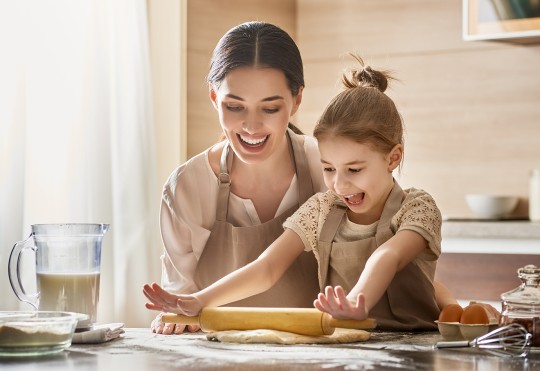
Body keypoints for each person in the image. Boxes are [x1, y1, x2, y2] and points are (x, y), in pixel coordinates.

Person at [144, 54, 459, 331]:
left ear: (393, 157)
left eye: (354, 170)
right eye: (328, 168)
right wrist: (200, 300)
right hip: (344, 345)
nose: (339, 184)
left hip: (417, 349)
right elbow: (267, 267)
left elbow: (387, 256)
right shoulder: (323, 208)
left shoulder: (418, 208)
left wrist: (356, 302)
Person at [152, 21, 326, 334]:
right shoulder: (189, 187)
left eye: (270, 108)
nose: (251, 126)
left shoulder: (326, 167)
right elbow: (182, 302)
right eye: (234, 106)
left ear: (297, 100)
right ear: (214, 97)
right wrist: (174, 318)